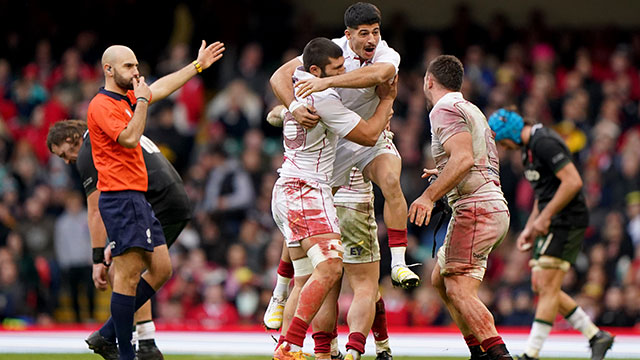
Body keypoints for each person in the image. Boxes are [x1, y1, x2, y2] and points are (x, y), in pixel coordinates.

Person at [82, 41, 224, 360]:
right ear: (109, 69)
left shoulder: (125, 98)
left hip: (137, 197)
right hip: (120, 198)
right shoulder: (102, 105)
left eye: (136, 65)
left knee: (161, 270)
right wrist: (143, 102)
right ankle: (126, 352)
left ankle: (106, 335)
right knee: (129, 276)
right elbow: (130, 137)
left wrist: (197, 66)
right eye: (129, 66)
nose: (136, 72)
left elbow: (159, 87)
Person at [270, 2, 420, 289]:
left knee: (390, 179)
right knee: (305, 219)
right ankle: (280, 289)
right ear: (348, 35)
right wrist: (292, 106)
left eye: (375, 32)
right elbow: (278, 77)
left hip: (371, 136)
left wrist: (328, 83)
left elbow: (379, 75)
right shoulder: (331, 51)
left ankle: (399, 263)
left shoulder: (387, 54)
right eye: (364, 33)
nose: (371, 40)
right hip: (336, 144)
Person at [271, 37, 396, 360]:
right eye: (336, 69)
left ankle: (286, 335)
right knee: (330, 268)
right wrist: (387, 101)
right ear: (315, 71)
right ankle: (290, 346)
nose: (343, 74)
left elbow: (277, 85)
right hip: (306, 189)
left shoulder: (295, 90)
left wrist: (288, 109)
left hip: (286, 188)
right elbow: (368, 135)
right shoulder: (323, 97)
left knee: (306, 280)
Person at [46, 119, 192, 359]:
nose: (66, 161)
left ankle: (124, 339)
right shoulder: (113, 132)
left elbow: (94, 209)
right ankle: (142, 341)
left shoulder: (89, 148)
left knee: (124, 273)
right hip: (172, 199)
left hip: (156, 204)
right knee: (135, 269)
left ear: (72, 137)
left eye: (64, 153)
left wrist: (96, 258)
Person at [487, 108, 615, 360]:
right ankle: (595, 336)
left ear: (508, 134)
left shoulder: (544, 142)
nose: (502, 147)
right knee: (541, 285)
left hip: (566, 220)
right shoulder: (528, 150)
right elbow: (543, 194)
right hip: (552, 220)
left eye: (501, 141)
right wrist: (530, 227)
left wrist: (544, 218)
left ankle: (531, 354)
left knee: (546, 286)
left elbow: (573, 181)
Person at [408, 55, 512, 360]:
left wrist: (429, 195)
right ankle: (477, 350)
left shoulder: (443, 109)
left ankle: (496, 354)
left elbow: (464, 158)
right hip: (491, 203)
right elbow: (474, 159)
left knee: (458, 289)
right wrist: (444, 174)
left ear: (429, 81)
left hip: (476, 207)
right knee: (440, 279)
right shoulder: (471, 109)